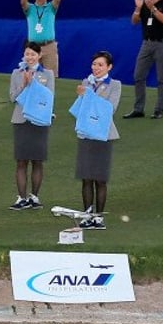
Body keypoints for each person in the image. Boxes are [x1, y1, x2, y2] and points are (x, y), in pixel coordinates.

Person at [72, 51, 122, 230]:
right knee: (86, 178)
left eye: (100, 65)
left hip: (103, 136)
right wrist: (81, 96)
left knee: (100, 179)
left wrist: (88, 96)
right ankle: (87, 214)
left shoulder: (114, 85)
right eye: (94, 64)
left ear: (109, 67)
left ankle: (98, 217)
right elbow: (80, 109)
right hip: (86, 134)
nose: (96, 68)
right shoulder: (86, 83)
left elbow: (109, 109)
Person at [7, 41, 55, 211]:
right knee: (21, 161)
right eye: (27, 54)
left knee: (37, 161)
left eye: (33, 54)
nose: (30, 57)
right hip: (21, 120)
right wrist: (25, 85)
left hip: (39, 121)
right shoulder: (16, 73)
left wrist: (34, 86)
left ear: (39, 56)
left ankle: (34, 197)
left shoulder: (47, 74)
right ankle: (21, 198)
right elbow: (13, 97)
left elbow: (49, 98)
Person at [122, 0, 163, 120]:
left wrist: (154, 9)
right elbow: (134, 21)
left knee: (161, 78)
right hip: (147, 42)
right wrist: (138, 8)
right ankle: (138, 109)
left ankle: (159, 110)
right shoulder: (145, 2)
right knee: (138, 75)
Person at [20, 0, 61, 77]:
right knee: (30, 75)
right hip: (33, 47)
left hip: (49, 46)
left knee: (50, 76)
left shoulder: (51, 7)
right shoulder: (30, 8)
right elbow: (23, 2)